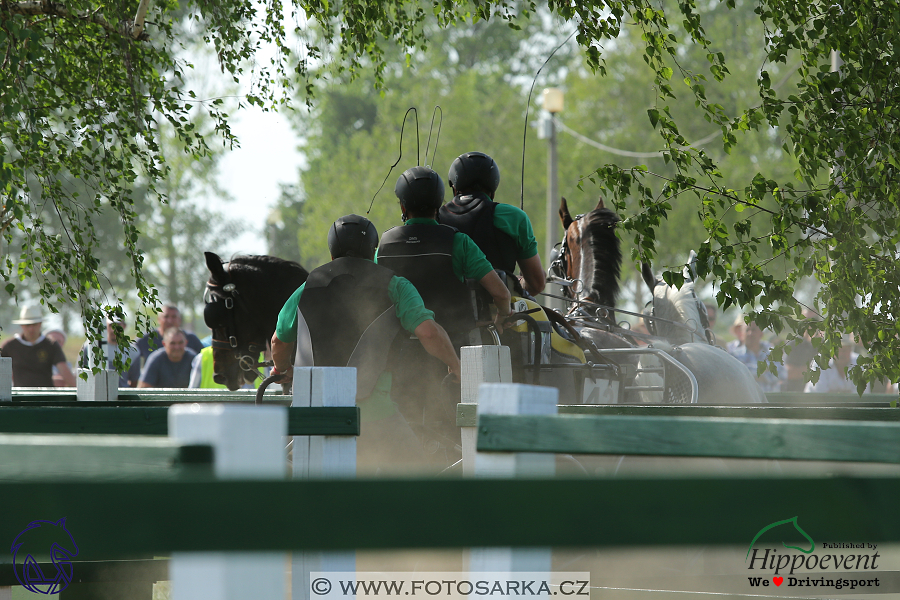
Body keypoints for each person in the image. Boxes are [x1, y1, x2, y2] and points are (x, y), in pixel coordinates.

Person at [269, 214, 461, 472]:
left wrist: (282, 370)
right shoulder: (395, 285)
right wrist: (455, 364)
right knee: (418, 477)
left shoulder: (306, 287)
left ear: (332, 251)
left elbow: (279, 342)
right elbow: (428, 333)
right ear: (373, 250)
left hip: (312, 417)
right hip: (373, 415)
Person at [377, 165, 512, 348]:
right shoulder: (458, 242)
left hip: (399, 353)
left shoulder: (383, 247)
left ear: (403, 206)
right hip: (454, 349)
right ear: (440, 203)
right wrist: (501, 317)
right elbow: (501, 294)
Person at [439, 152, 545, 296]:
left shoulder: (436, 218)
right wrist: (515, 282)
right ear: (493, 188)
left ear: (455, 187)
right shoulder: (514, 217)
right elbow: (536, 285)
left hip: (444, 311)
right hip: (502, 313)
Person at [0, 306, 76, 387]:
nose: (31, 329)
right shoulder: (10, 346)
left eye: (34, 324)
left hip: (46, 396)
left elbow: (64, 370)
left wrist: (77, 393)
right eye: (28, 325)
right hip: (20, 396)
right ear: (21, 325)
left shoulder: (51, 344)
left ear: (40, 324)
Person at [727, 317, 784, 393]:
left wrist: (748, 371)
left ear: (761, 333)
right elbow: (736, 377)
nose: (750, 333)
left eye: (754, 330)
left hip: (771, 401)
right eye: (747, 330)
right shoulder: (734, 355)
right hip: (746, 401)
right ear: (742, 333)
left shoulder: (772, 353)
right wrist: (765, 372)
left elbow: (781, 374)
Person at [79, 319, 142, 388]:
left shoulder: (133, 351)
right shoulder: (91, 347)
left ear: (124, 326)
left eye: (117, 326)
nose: (113, 330)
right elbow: (80, 375)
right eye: (111, 326)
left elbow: (134, 381)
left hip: (121, 396)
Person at [135, 305, 204, 361]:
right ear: (159, 320)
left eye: (174, 317)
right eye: (166, 317)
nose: (170, 321)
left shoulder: (191, 338)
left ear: (179, 320)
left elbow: (204, 359)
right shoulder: (146, 339)